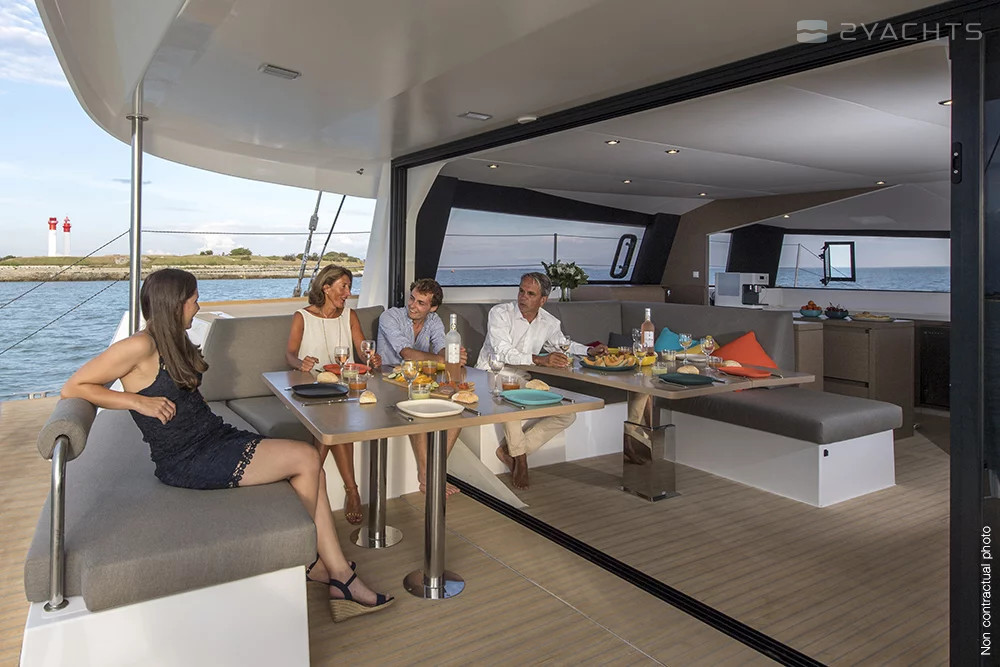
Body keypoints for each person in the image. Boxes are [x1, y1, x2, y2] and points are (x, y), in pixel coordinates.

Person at [61, 268, 392, 622]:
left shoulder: (171, 339)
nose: (197, 306)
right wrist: (137, 402)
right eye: (193, 300)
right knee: (307, 458)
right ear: (174, 304)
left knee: (310, 466)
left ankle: (321, 566)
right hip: (187, 458)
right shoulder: (139, 346)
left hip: (213, 436)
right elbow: (74, 387)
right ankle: (340, 577)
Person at [476, 272, 606, 489]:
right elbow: (502, 352)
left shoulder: (549, 322)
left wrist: (589, 351)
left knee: (567, 414)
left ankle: (511, 451)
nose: (523, 297)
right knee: (512, 403)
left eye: (530, 294)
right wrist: (540, 359)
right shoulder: (500, 313)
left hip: (522, 377)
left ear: (543, 300)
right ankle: (521, 460)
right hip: (491, 373)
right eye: (521, 291)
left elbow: (562, 345)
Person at [285, 264, 382, 526]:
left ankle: (311, 484)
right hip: (310, 387)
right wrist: (301, 363)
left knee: (337, 415)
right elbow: (289, 354)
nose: (348, 293)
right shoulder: (302, 317)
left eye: (350, 287)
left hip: (344, 387)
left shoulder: (349, 315)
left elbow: (362, 350)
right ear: (326, 288)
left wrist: (372, 358)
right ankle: (352, 490)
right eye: (344, 287)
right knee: (336, 419)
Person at [377, 278, 466, 496]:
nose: (412, 305)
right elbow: (406, 353)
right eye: (412, 298)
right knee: (418, 407)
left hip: (420, 381)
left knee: (458, 411)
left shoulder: (434, 320)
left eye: (420, 303)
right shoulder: (390, 317)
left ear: (432, 308)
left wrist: (453, 354)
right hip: (387, 382)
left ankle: (436, 470)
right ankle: (427, 476)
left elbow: (442, 348)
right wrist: (444, 360)